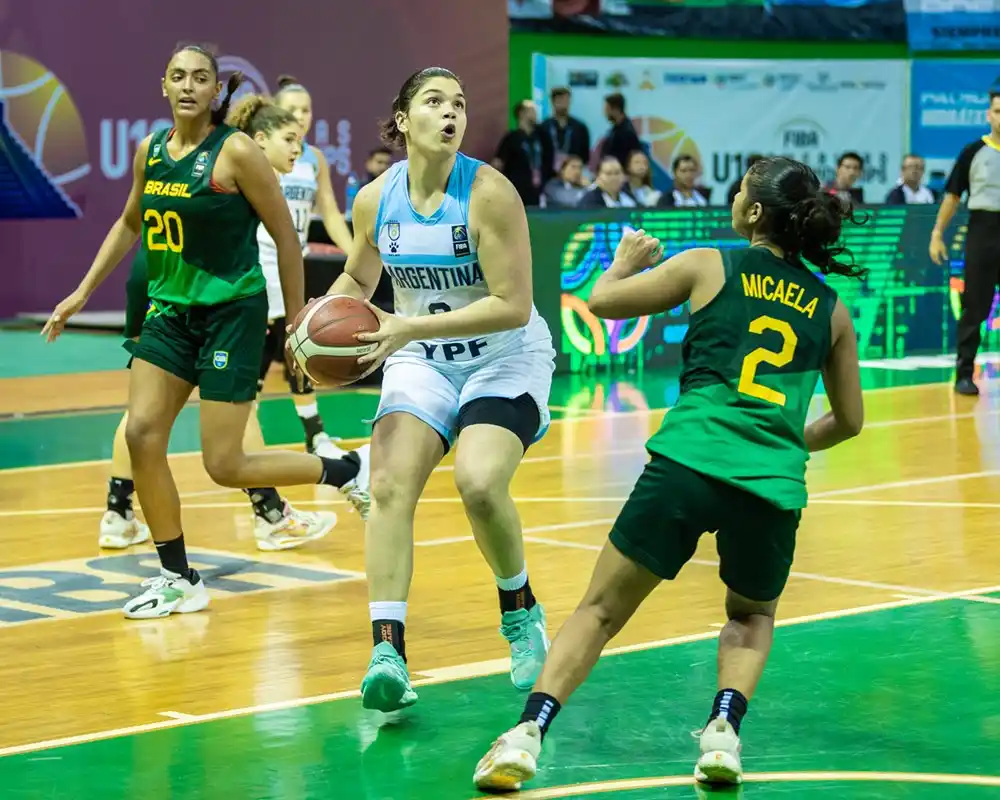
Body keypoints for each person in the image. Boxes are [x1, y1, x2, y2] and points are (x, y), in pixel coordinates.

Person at [473, 157, 866, 791]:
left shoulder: (709, 264)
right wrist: (784, 442)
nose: (733, 197)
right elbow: (849, 421)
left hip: (687, 464)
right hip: (769, 488)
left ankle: (526, 735)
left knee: (600, 611)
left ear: (754, 212)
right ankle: (723, 733)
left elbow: (602, 303)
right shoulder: (833, 309)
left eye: (740, 190)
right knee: (751, 617)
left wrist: (624, 261)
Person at [42, 45, 370, 618]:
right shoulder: (150, 151)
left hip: (230, 315)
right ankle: (178, 577)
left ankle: (346, 471)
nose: (189, 86)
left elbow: (286, 236)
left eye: (200, 78)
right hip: (170, 315)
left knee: (224, 464)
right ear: (163, 86)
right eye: (178, 76)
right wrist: (81, 293)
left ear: (216, 91)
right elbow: (128, 223)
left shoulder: (236, 151)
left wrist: (297, 324)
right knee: (142, 434)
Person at [322, 66, 556, 711]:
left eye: (459, 103)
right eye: (434, 101)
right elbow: (358, 279)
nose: (451, 112)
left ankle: (520, 611)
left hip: (503, 357)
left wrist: (408, 326)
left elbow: (511, 305)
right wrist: (320, 320)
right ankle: (387, 652)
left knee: (478, 482)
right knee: (388, 485)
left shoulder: (489, 194)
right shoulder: (376, 199)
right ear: (403, 120)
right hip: (421, 357)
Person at [94, 92, 344, 553]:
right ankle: (272, 511)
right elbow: (257, 248)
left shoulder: (234, 161)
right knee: (229, 405)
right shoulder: (236, 165)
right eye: (289, 135)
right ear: (259, 139)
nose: (299, 145)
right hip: (191, 290)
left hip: (166, 279)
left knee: (148, 412)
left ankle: (118, 510)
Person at [258, 75, 354, 446]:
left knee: (297, 349)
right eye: (292, 109)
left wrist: (355, 254)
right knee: (264, 353)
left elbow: (329, 212)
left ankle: (314, 433)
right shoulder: (261, 152)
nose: (300, 116)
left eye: (306, 109)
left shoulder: (314, 158)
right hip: (260, 265)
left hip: (293, 267)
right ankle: (244, 430)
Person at [929, 90, 1000, 396]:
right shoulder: (973, 152)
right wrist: (937, 233)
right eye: (998, 111)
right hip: (984, 231)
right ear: (988, 115)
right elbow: (953, 196)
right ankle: (964, 374)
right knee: (975, 306)